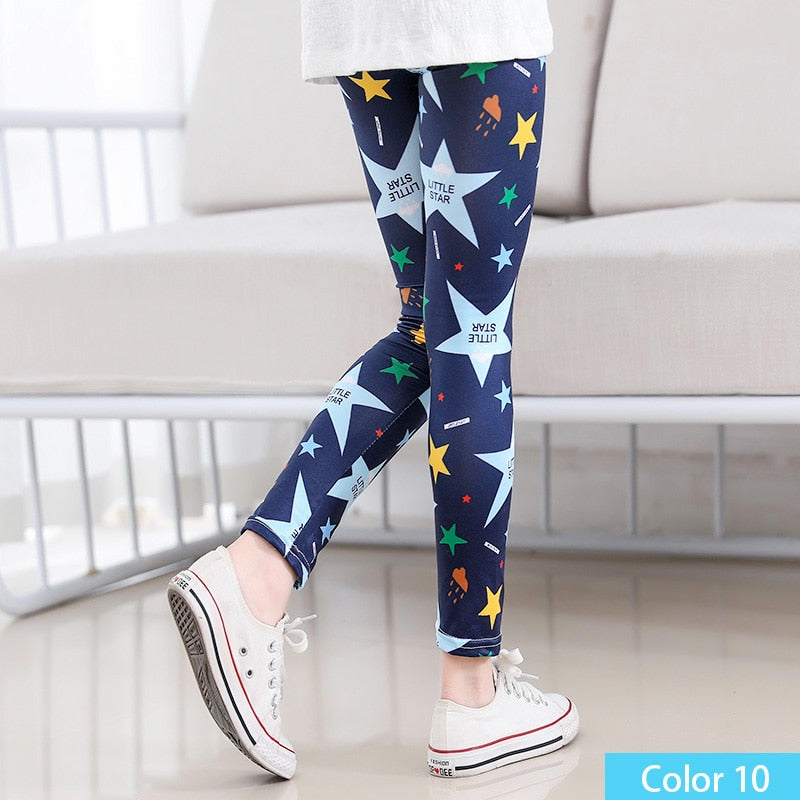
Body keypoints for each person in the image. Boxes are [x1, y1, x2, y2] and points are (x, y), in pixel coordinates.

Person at [167, 0, 578, 780]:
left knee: (428, 328)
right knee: (471, 340)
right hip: (473, 24)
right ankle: (472, 693)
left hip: (361, 27)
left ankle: (259, 567)